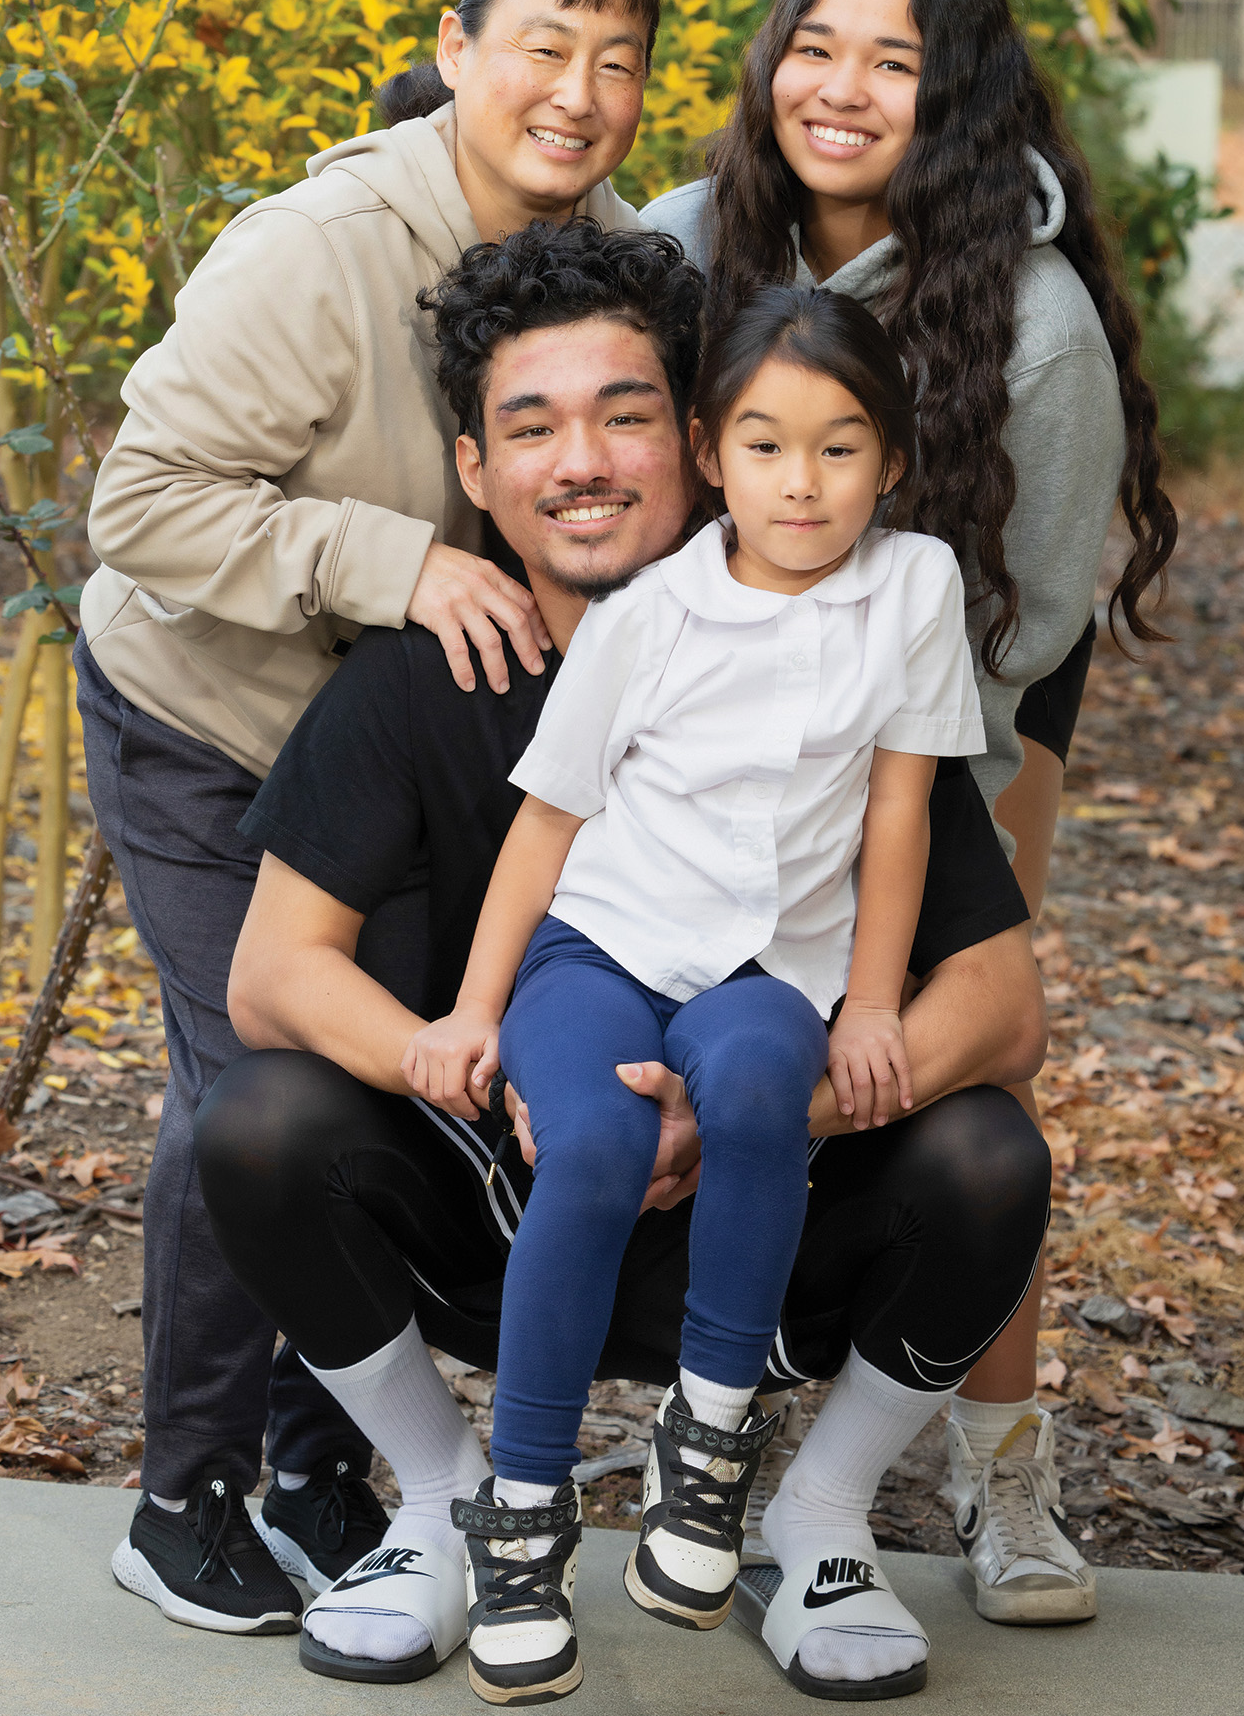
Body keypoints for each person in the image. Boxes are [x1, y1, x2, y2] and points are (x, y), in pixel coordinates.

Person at [195, 220, 1053, 1702]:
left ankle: (817, 1512)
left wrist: (749, 1113)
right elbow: (272, 975)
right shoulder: (414, 676)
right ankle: (453, 1503)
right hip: (509, 1196)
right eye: (532, 425)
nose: (581, 457)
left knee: (990, 1154)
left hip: (767, 1200)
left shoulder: (851, 634)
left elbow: (999, 1004)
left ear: (695, 438)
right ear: (477, 472)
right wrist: (458, 1052)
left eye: (624, 413)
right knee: (261, 1124)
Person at [79, 0, 662, 1635]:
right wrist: (390, 561)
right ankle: (181, 1495)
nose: (579, 93)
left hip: (395, 740)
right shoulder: (319, 246)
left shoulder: (608, 248)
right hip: (212, 703)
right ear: (459, 43)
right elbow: (139, 505)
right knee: (254, 1066)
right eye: (546, 47)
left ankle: (321, 1463)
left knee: (363, 1094)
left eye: (620, 64)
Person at [640, 0, 1180, 1627]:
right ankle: (723, 1395)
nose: (843, 88)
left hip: (953, 726)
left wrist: (875, 721)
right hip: (696, 720)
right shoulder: (675, 246)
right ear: (769, 60)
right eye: (816, 45)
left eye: (894, 58)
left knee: (968, 1070)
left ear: (956, 93)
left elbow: (1029, 622)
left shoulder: (1034, 323)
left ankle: (1002, 1471)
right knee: (705, 1024)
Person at [400, 282, 981, 1703]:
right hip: (600, 950)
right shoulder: (651, 615)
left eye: (842, 448)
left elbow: (898, 816)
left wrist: (875, 1001)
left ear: (892, 462)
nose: (804, 481)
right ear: (714, 452)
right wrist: (477, 1010)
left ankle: (709, 1437)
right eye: (769, 446)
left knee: (769, 1072)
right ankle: (523, 1517)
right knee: (591, 1146)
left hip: (767, 966)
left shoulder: (914, 588)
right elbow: (547, 826)